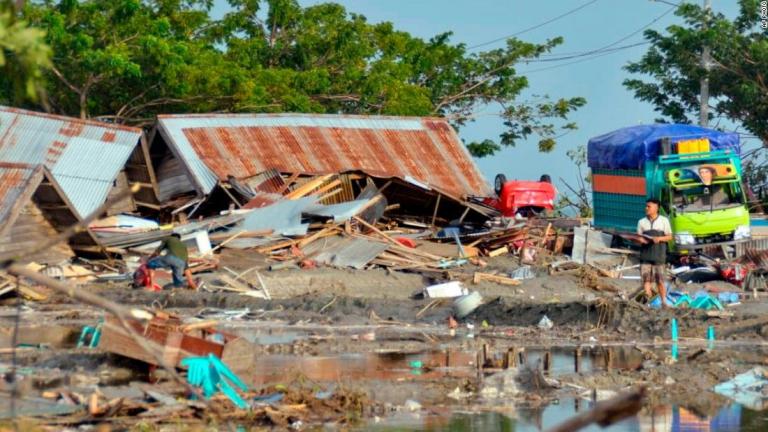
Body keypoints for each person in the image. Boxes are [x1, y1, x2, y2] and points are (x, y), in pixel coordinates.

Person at [637, 198, 673, 306]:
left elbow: (670, 236)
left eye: (649, 206)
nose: (646, 208)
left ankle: (664, 303)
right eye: (646, 206)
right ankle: (648, 304)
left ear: (656, 208)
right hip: (645, 256)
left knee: (660, 281)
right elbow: (638, 237)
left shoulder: (664, 221)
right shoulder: (641, 222)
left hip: (659, 256)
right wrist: (640, 240)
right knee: (646, 281)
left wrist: (659, 239)